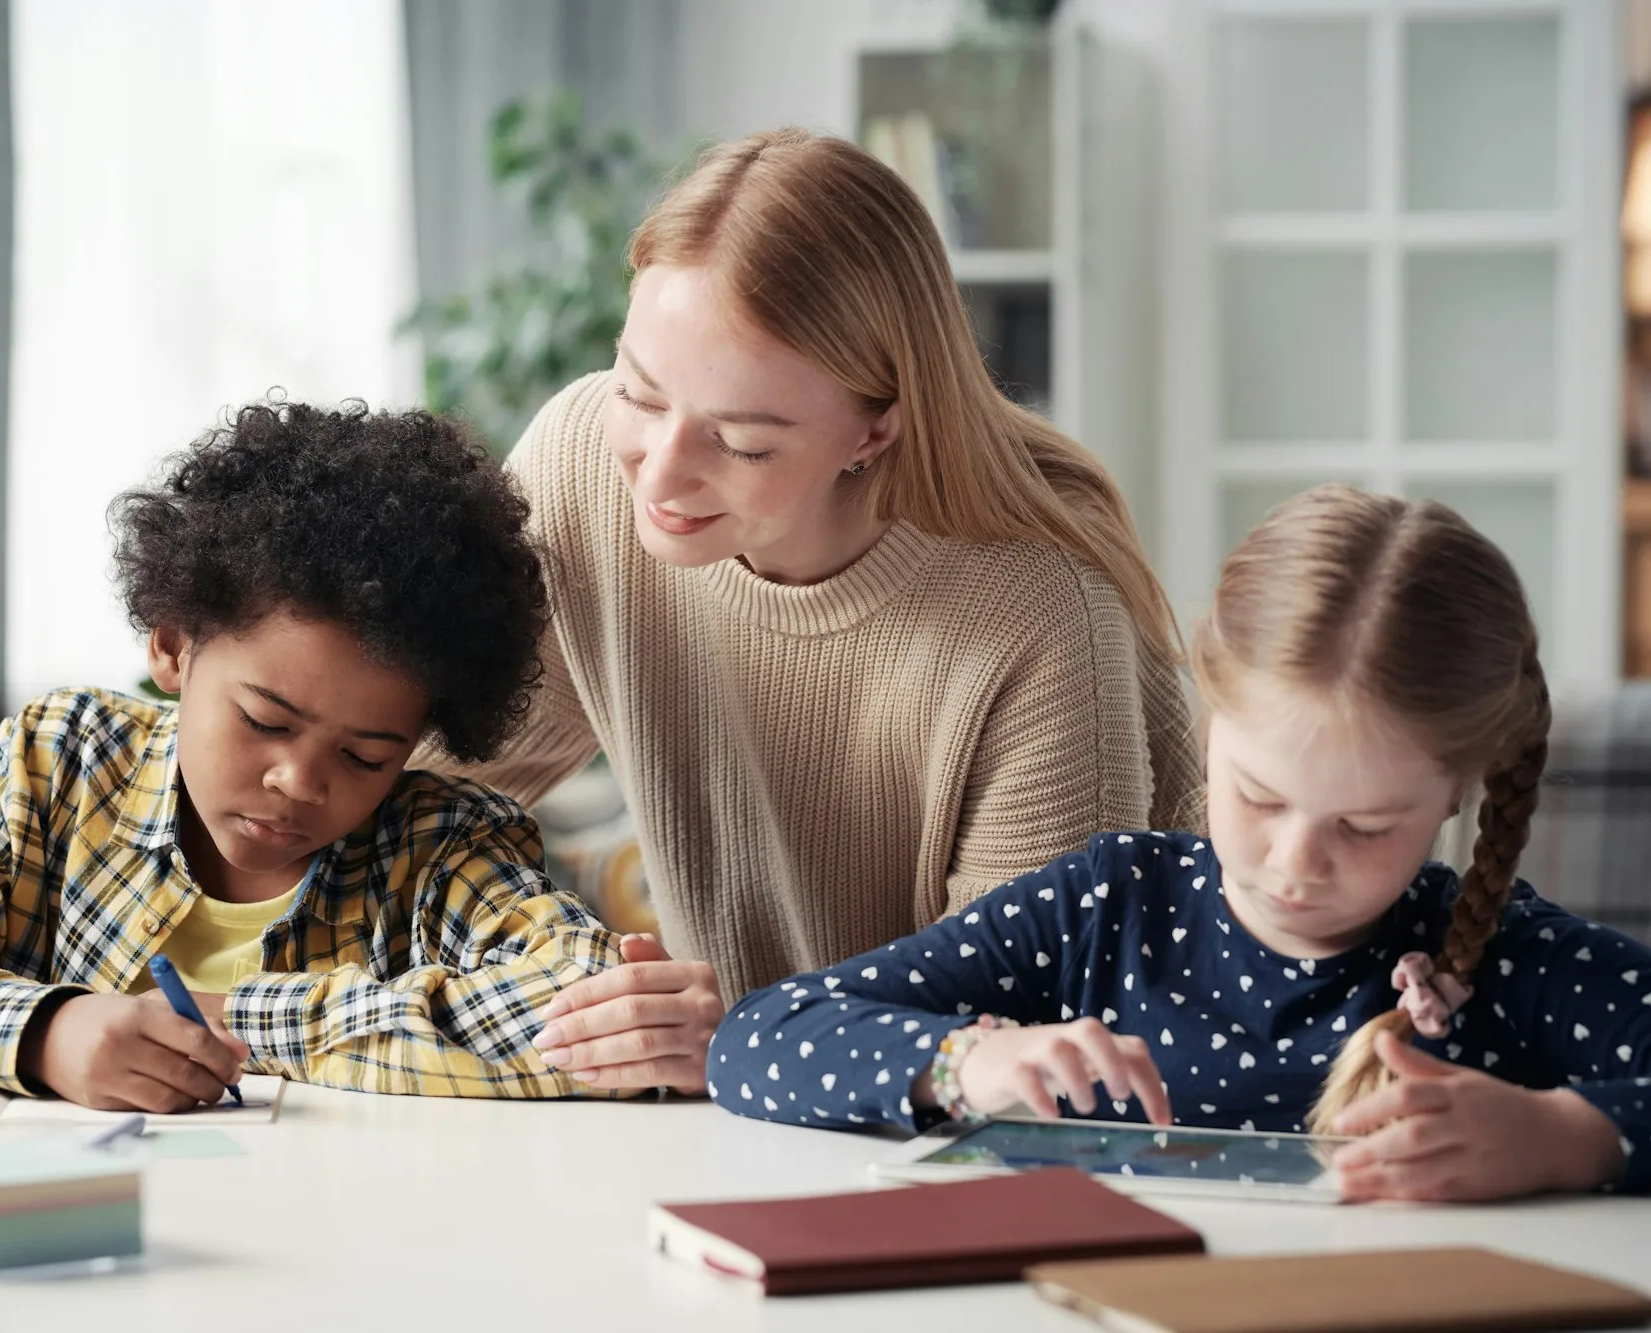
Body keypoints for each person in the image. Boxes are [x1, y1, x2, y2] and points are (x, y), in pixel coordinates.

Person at [428, 128, 1202, 1095]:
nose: (660, 474)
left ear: (876, 426)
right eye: (638, 391)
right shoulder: (585, 465)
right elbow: (413, 796)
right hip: (745, 1107)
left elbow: (1025, 1054)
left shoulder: (1041, 616)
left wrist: (733, 1043)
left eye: (744, 443)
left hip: (1007, 1136)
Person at [706, 484, 1651, 1201]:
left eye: (1364, 827)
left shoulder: (1506, 963)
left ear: (1456, 792)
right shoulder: (1106, 906)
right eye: (1258, 795)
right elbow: (754, 1040)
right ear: (1208, 725)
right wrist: (966, 1062)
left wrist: (1566, 1133)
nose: (1293, 862)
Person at [0, 401, 623, 1110]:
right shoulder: (64, 766)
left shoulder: (444, 842)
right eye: (266, 721)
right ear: (172, 646)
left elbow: (586, 1004)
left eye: (366, 756)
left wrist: (235, 1018)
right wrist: (45, 1033)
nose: (299, 780)